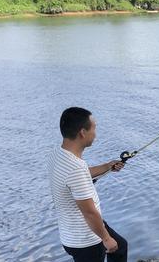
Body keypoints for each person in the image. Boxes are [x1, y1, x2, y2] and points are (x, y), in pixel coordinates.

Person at [48, 107, 128, 262]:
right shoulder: (75, 168)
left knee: (121, 247)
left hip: (70, 232)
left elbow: (80, 176)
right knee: (115, 247)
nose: (95, 133)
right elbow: (89, 212)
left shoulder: (58, 154)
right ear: (82, 133)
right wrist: (106, 239)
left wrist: (107, 166)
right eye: (94, 128)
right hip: (86, 240)